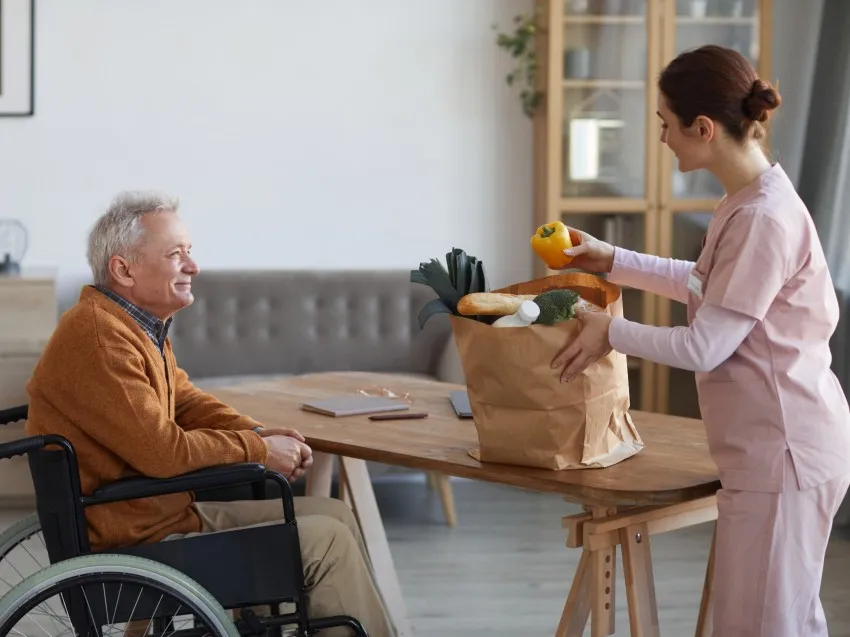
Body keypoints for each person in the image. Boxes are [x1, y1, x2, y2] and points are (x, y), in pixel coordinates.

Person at [551, 44, 850, 637]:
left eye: (666, 124)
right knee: (784, 621)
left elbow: (705, 346)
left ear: (704, 128)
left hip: (784, 454)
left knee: (762, 626)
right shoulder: (747, 201)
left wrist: (611, 332)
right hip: (780, 449)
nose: (663, 138)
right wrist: (613, 259)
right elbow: (705, 284)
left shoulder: (762, 218)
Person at [25, 191, 395, 637]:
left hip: (162, 518)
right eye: (175, 254)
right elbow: (163, 451)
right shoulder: (100, 337)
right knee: (327, 541)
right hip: (135, 544)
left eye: (189, 252)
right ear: (124, 270)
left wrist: (258, 433)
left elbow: (185, 401)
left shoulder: (132, 325)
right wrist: (258, 449)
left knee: (335, 515)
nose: (193, 266)